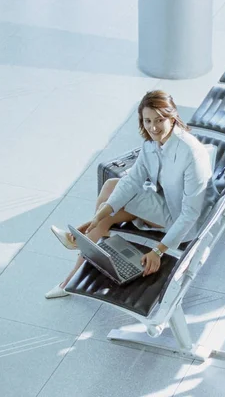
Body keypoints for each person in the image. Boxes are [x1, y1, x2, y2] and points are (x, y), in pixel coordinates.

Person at [45, 90, 213, 298]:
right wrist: (97, 216)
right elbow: (132, 181)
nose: (153, 127)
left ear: (172, 117)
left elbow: (190, 214)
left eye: (159, 120)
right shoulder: (152, 144)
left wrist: (158, 251)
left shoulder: (191, 153)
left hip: (182, 219)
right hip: (165, 202)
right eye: (147, 120)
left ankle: (77, 260)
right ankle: (85, 247)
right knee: (111, 189)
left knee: (108, 208)